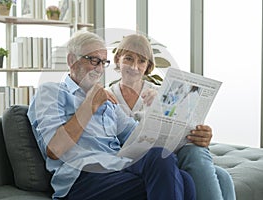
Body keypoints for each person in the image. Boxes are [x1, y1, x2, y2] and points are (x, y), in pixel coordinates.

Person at [27, 30, 196, 200]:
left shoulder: (107, 103)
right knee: (179, 181)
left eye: (103, 62)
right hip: (82, 179)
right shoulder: (50, 92)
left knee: (182, 176)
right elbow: (55, 149)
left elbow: (138, 137)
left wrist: (163, 114)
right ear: (72, 60)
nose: (99, 69)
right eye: (93, 61)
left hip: (117, 167)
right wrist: (89, 105)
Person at [108, 34, 236, 200]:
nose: (134, 66)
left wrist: (201, 134)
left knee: (221, 174)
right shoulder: (107, 95)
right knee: (222, 176)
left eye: (141, 61)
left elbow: (184, 128)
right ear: (118, 59)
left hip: (170, 155)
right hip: (140, 161)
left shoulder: (163, 92)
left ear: (148, 66)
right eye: (129, 59)